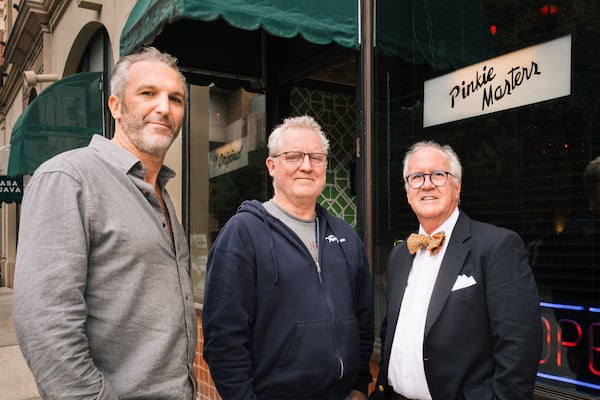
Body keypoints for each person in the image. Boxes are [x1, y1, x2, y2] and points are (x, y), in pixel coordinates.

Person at [12, 46, 197, 399]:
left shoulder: (160, 191)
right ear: (116, 106)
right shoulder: (69, 178)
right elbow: (46, 326)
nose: (164, 108)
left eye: (175, 99)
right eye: (147, 93)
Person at [202, 115, 374, 400]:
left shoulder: (345, 235)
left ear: (325, 166)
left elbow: (363, 319)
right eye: (293, 156)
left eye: (316, 158)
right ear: (271, 165)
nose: (306, 166)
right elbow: (224, 338)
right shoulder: (244, 233)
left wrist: (359, 384)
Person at [371, 141, 541, 400]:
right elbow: (391, 330)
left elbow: (519, 348)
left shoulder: (497, 246)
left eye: (438, 174)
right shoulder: (399, 255)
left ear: (457, 186)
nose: (426, 184)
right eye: (416, 177)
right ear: (407, 191)